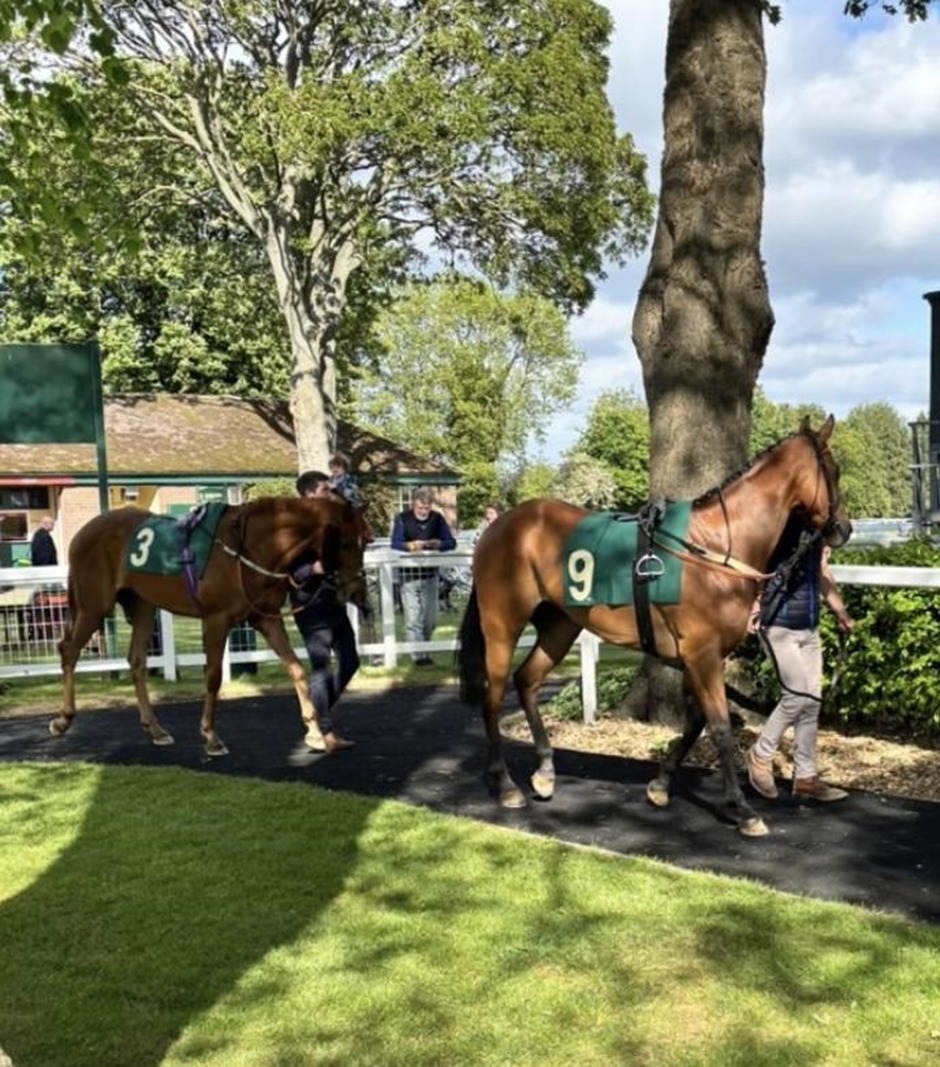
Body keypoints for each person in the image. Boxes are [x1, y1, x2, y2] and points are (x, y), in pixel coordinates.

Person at [746, 518, 855, 802]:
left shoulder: (816, 532)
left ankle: (806, 777)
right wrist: (753, 605)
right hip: (777, 625)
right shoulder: (777, 526)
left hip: (809, 627)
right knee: (795, 696)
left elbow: (821, 572)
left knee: (812, 701)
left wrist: (840, 611)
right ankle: (760, 754)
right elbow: (754, 569)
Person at [290, 469, 359, 753]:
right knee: (321, 667)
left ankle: (318, 717)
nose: (330, 494)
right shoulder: (294, 527)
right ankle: (325, 730)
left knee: (351, 661)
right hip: (309, 604)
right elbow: (288, 569)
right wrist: (312, 569)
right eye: (324, 490)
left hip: (333, 599)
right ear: (309, 495)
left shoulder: (330, 522)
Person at [390, 487, 456, 665]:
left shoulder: (437, 519)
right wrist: (410, 546)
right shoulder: (402, 518)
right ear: (413, 505)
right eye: (420, 507)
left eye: (426, 508)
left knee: (430, 620)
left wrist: (438, 544)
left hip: (431, 574)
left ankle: (424, 650)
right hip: (408, 575)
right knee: (413, 619)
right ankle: (418, 656)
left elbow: (451, 543)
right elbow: (394, 543)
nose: (423, 511)